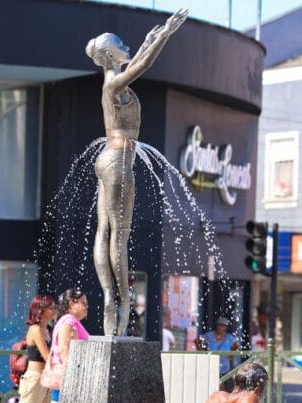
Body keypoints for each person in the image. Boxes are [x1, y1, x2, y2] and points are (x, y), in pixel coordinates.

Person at [85, 9, 187, 335]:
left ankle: (109, 296)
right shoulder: (114, 84)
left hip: (108, 157)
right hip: (119, 162)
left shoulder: (111, 80)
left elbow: (135, 62)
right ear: (110, 55)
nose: (126, 46)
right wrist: (166, 35)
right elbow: (142, 65)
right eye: (121, 44)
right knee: (120, 235)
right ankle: (121, 302)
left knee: (105, 230)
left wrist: (148, 40)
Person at [45, 288, 91, 403]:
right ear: (71, 304)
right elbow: (65, 351)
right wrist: (74, 376)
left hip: (66, 378)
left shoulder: (68, 321)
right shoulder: (69, 322)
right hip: (67, 379)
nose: (86, 307)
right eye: (83, 303)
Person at [17, 295, 55, 403]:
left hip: (45, 378)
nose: (54, 310)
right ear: (41, 310)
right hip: (35, 378)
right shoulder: (35, 329)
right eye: (50, 308)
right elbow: (47, 356)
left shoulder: (47, 329)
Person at [197, 317, 241, 382]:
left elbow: (237, 345)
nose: (221, 327)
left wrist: (232, 355)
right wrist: (203, 352)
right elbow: (198, 341)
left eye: (224, 326)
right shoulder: (209, 335)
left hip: (225, 369)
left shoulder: (229, 338)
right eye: (220, 325)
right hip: (210, 367)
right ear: (217, 325)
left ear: (226, 327)